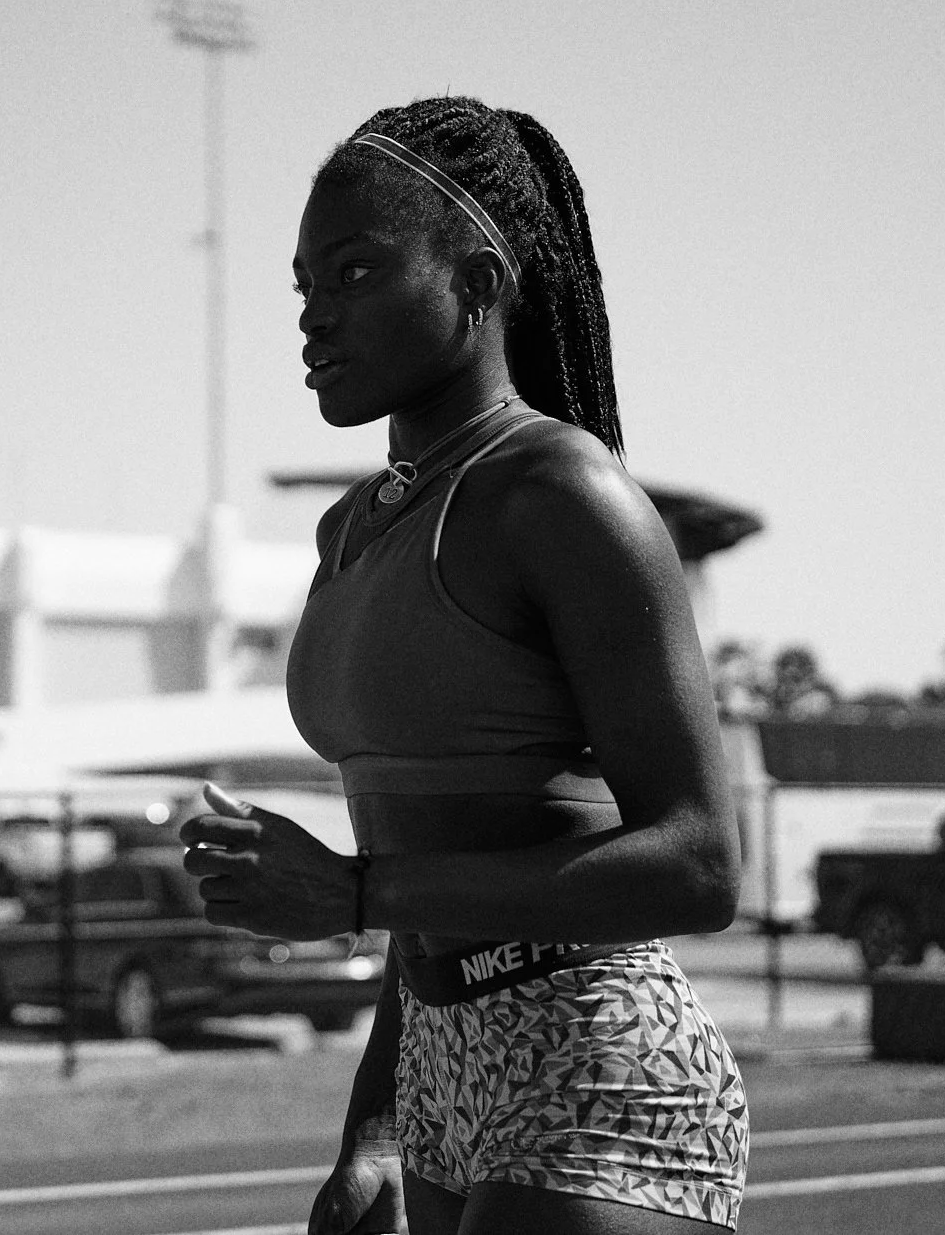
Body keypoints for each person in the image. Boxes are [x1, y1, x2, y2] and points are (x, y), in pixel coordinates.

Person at [181, 96, 748, 1234]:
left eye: (350, 274)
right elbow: (419, 841)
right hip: (435, 1066)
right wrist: (379, 1121)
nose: (311, 319)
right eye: (302, 288)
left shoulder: (561, 494)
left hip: (592, 1059)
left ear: (479, 282)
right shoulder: (347, 531)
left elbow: (697, 867)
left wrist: (347, 893)